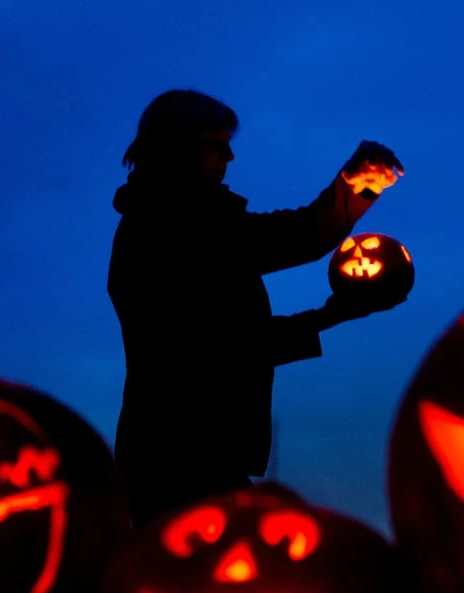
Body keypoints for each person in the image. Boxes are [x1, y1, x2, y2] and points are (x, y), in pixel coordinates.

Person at [107, 88, 406, 528]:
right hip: (182, 453)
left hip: (187, 451)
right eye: (216, 143)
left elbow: (233, 339)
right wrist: (333, 313)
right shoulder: (174, 230)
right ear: (179, 145)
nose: (229, 156)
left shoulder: (180, 222)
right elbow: (222, 348)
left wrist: (354, 186)